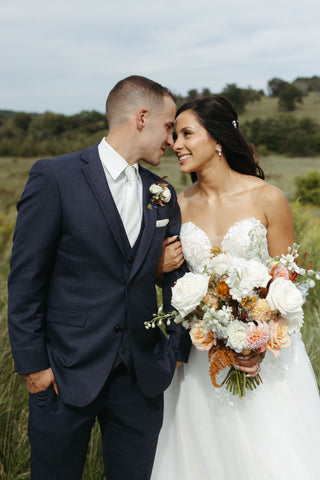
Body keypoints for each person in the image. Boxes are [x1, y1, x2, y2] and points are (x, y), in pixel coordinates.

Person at [7, 75, 191, 480]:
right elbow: (25, 281)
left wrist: (175, 348)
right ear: (142, 117)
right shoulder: (55, 177)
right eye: (168, 126)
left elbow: (178, 280)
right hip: (64, 371)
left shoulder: (160, 191)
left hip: (141, 378)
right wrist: (33, 367)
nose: (172, 139)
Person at [152, 95, 320, 480]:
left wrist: (260, 341)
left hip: (263, 359)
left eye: (186, 133)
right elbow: (166, 277)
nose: (176, 144)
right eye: (174, 135)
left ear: (217, 140)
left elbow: (286, 282)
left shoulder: (267, 198)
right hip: (199, 359)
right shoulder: (175, 207)